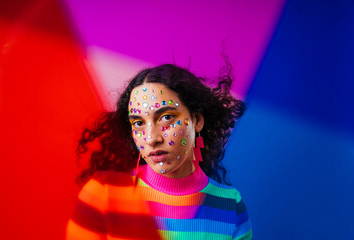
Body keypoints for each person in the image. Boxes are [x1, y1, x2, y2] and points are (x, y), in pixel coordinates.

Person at [66, 63, 252, 240]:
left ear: (196, 120)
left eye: (166, 117)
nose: (151, 138)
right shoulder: (103, 194)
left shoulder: (231, 207)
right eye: (138, 123)